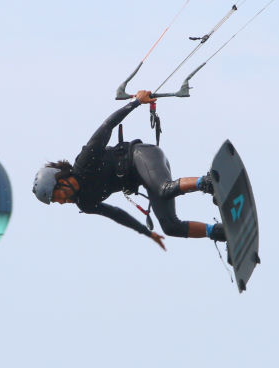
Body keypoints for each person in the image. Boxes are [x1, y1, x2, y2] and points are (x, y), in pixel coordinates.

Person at [32, 90, 226, 250]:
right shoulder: (85, 203)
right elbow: (116, 214)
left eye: (57, 196)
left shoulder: (84, 162)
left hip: (142, 156)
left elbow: (107, 126)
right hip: (144, 179)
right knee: (170, 227)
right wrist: (146, 232)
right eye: (56, 202)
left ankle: (208, 182)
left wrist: (136, 102)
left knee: (164, 188)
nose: (61, 202)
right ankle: (219, 232)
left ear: (60, 180)